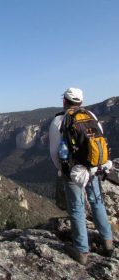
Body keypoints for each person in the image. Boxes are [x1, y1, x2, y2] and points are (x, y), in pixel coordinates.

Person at [49, 87, 113, 265]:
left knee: (77, 208)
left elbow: (54, 152)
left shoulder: (59, 120)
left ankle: (81, 250)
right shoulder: (90, 115)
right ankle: (108, 242)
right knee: (97, 201)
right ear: (81, 102)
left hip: (74, 171)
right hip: (94, 167)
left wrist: (62, 170)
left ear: (64, 101)